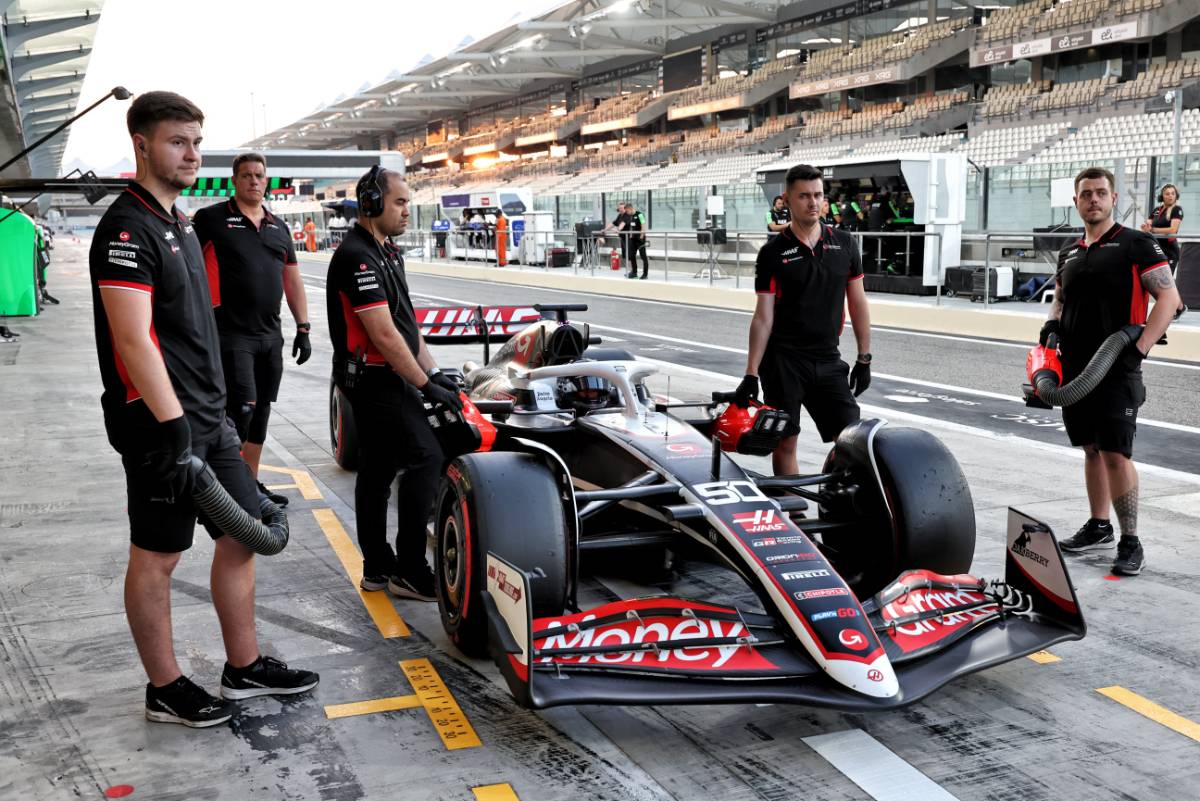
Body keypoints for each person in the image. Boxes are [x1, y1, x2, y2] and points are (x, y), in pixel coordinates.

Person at [88, 91, 317, 729]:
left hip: (210, 420)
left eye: (195, 141)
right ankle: (164, 687)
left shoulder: (180, 222)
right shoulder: (126, 229)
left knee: (242, 537)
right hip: (160, 425)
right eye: (176, 141)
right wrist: (174, 429)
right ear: (141, 145)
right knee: (157, 556)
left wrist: (212, 418)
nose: (191, 153)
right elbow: (133, 340)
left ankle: (242, 668)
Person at [326, 165, 462, 600]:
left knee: (379, 470)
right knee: (426, 457)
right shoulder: (357, 256)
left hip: (390, 377)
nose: (408, 211)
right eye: (400, 202)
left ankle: (377, 568)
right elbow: (383, 335)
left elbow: (406, 326)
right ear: (371, 204)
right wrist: (424, 385)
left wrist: (434, 372)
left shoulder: (387, 251)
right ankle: (409, 568)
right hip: (374, 382)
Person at [1044, 166, 1181, 576]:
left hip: (1117, 367)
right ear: (1076, 202)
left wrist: (1137, 349)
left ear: (1113, 198)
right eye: (1086, 194)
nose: (1093, 200)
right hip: (1074, 369)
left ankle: (1131, 540)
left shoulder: (1136, 243)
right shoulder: (1070, 252)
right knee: (1089, 448)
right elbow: (1061, 301)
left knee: (1116, 454)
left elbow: (1168, 299)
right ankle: (1099, 525)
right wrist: (1050, 330)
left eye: (1101, 193)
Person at [736, 163, 872, 476]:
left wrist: (864, 357)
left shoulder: (845, 244)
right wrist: (751, 373)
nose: (813, 203)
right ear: (787, 199)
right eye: (804, 196)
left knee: (852, 440)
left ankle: (844, 508)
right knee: (785, 443)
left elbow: (859, 302)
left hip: (827, 358)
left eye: (818, 195)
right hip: (783, 361)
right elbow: (763, 317)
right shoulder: (772, 252)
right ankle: (793, 514)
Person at [192, 153, 311, 506]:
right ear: (235, 180)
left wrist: (303, 327)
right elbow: (187, 267)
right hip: (230, 334)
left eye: (259, 176)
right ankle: (228, 488)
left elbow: (292, 278)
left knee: (260, 414)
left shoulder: (279, 227)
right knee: (240, 409)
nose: (254, 181)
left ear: (266, 180)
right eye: (246, 175)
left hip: (269, 337)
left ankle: (251, 485)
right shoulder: (211, 219)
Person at [1141, 183, 1184, 274]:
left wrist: (1154, 230)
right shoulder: (1157, 210)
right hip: (1156, 248)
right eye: (1167, 194)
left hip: (1170, 251)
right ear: (1162, 197)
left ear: (1176, 196)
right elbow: (1149, 223)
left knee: (1166, 281)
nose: (1170, 196)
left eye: (1173, 193)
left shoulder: (1176, 209)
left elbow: (1173, 230)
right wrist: (1146, 227)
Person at [625, 200, 649, 279]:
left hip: (640, 239)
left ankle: (645, 274)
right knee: (632, 255)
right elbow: (632, 226)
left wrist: (642, 235)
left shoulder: (640, 214)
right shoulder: (630, 216)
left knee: (643, 256)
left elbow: (643, 224)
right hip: (633, 239)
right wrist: (631, 235)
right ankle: (634, 272)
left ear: (630, 208)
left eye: (627, 211)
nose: (626, 213)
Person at [604, 201, 630, 272]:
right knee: (624, 253)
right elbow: (613, 223)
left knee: (629, 253)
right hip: (622, 237)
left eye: (622, 208)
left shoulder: (627, 215)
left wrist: (618, 229)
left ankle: (631, 269)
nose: (620, 209)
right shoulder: (619, 215)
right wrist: (605, 230)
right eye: (619, 208)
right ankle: (628, 269)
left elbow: (622, 224)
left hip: (629, 238)